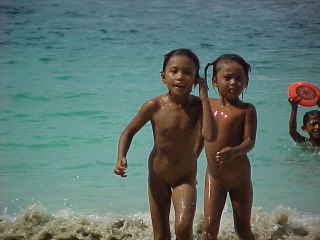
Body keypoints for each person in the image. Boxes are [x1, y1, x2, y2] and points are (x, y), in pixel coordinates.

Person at [114, 48, 212, 240]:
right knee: (160, 236)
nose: (180, 76)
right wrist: (121, 157)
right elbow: (128, 132)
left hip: (184, 176)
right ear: (163, 77)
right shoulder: (154, 106)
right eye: (174, 71)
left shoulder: (200, 107)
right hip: (158, 176)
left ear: (196, 79)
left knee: (183, 228)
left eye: (188, 72)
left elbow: (208, 135)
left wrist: (204, 95)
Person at [201, 54, 257, 240]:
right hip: (214, 177)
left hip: (239, 178)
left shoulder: (247, 110)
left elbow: (249, 141)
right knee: (209, 228)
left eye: (239, 78)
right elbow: (199, 138)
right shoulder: (207, 106)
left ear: (246, 83)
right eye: (227, 78)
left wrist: (235, 151)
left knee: (243, 229)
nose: (233, 82)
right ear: (215, 81)